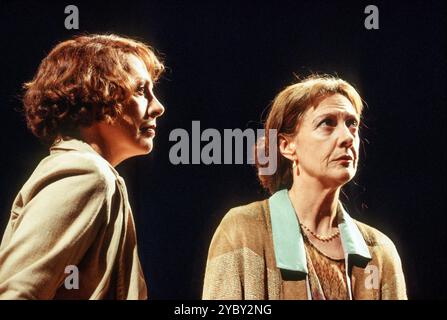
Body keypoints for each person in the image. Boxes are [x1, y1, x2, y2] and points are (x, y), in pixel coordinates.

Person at [203, 75, 407, 300]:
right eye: (327, 123)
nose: (347, 137)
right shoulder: (242, 231)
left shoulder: (379, 252)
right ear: (287, 146)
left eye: (352, 124)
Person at [0, 34, 165, 299]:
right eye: (140, 91)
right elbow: (16, 292)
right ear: (96, 97)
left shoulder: (91, 173)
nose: (158, 107)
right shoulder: (85, 173)